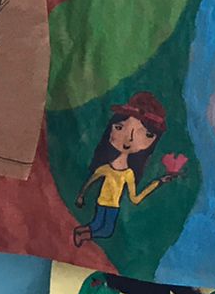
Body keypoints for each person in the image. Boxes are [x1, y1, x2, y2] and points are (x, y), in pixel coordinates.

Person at [73, 92, 183, 246]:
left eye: (145, 134)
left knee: (104, 230)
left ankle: (81, 232)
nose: (129, 139)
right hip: (103, 203)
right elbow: (91, 180)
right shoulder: (105, 168)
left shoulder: (128, 173)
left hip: (113, 206)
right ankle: (81, 234)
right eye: (120, 127)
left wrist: (159, 182)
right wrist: (81, 196)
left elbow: (135, 198)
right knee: (102, 229)